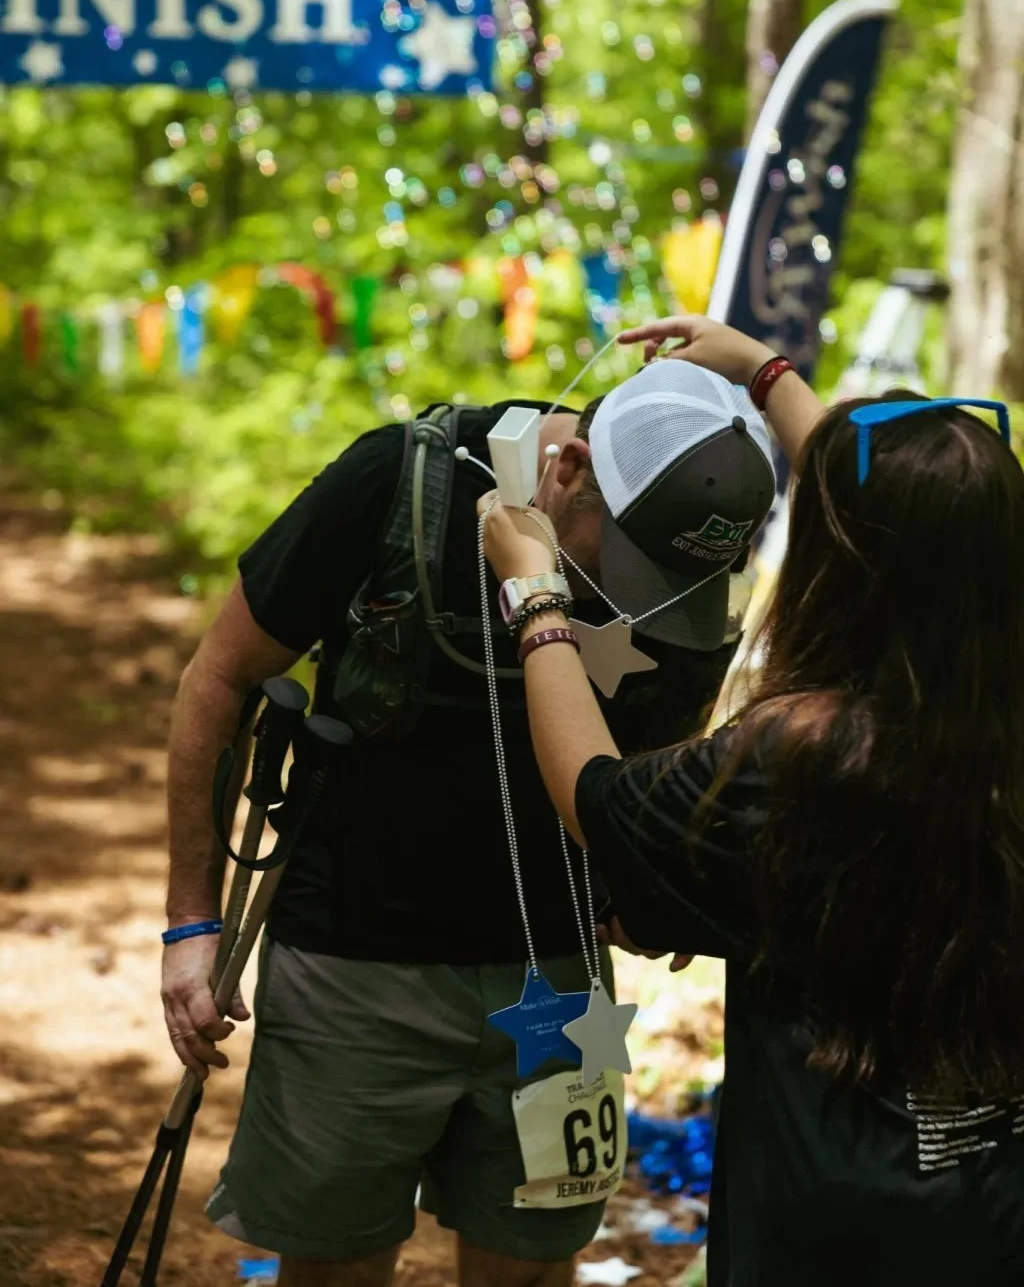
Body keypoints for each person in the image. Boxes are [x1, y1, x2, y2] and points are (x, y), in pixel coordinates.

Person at [161, 364, 776, 1287]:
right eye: (629, 563)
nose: (641, 599)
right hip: (356, 968)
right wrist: (191, 922)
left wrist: (662, 878)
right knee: (334, 1271)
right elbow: (220, 674)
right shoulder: (398, 483)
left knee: (530, 1271)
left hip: (563, 989)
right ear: (567, 469)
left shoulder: (691, 556)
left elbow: (662, 743)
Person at [481, 313, 1024, 1287]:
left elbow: (596, 801)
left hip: (830, 1225)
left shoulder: (805, 751)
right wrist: (761, 370)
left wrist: (536, 600)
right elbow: (916, 530)